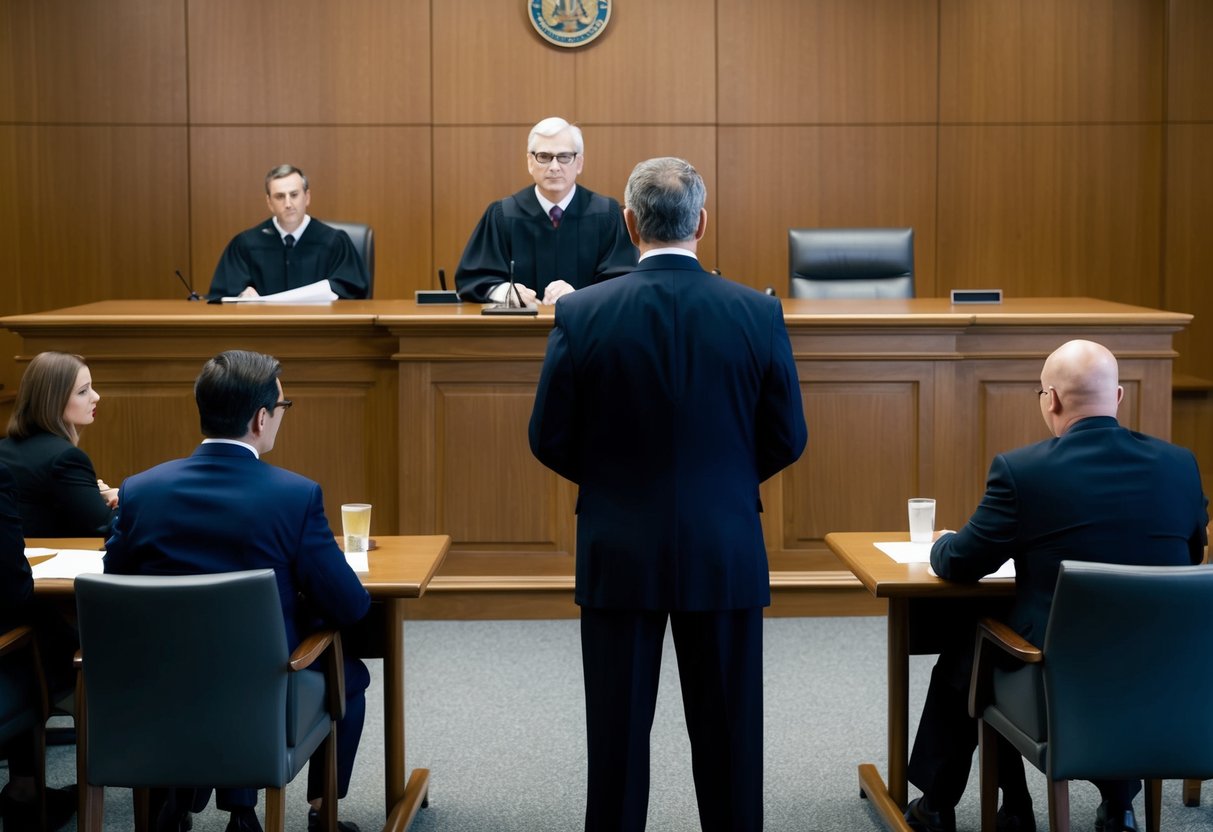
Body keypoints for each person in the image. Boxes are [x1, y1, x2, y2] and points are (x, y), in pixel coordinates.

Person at [529, 157, 807, 831]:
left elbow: (548, 436)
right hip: (724, 543)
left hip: (619, 545)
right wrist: (726, 483)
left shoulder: (579, 312)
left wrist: (612, 483)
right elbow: (787, 436)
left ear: (629, 224)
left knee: (617, 739)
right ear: (701, 223)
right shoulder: (758, 312)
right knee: (730, 736)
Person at [905, 339, 1209, 832]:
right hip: (1163, 675)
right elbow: (1192, 556)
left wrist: (941, 543)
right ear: (1118, 398)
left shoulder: (1023, 471)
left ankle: (937, 807)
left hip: (1056, 682)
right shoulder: (1180, 465)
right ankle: (1119, 806)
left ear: (1051, 399)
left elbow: (961, 563)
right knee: (1117, 643)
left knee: (969, 649)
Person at [104, 350, 371, 832]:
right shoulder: (295, 496)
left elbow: (114, 581)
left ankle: (177, 801)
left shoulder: (141, 490)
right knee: (349, 674)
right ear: (261, 418)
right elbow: (350, 605)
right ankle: (321, 813)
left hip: (158, 682)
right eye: (282, 407)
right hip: (264, 687)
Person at [455, 116, 637, 306]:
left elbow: (623, 282)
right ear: (530, 162)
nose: (554, 167)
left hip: (586, 323)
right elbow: (473, 279)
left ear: (579, 163)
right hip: (518, 324)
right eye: (544, 157)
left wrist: (580, 296)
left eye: (564, 157)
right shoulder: (503, 215)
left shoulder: (607, 214)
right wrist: (506, 292)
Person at [207, 165, 369, 301]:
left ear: (307, 197)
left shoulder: (334, 242)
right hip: (264, 327)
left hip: (319, 327)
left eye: (294, 195)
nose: (288, 204)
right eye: (279, 197)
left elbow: (354, 291)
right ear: (269, 202)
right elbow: (223, 294)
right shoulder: (246, 244)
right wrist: (241, 295)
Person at [0, 352, 117, 537]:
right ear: (54, 401)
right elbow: (105, 526)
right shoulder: (66, 458)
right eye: (83, 391)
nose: (96, 397)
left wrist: (99, 493)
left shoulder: (4, 449)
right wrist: (126, 500)